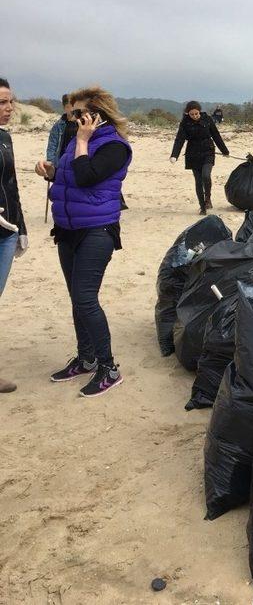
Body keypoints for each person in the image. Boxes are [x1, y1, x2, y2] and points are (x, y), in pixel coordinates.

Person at [35, 86, 132, 398]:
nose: (71, 116)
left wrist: (81, 141)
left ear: (96, 114)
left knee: (85, 298)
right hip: (68, 229)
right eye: (71, 111)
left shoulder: (114, 146)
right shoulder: (77, 139)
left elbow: (87, 176)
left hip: (97, 230)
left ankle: (109, 367)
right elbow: (71, 176)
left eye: (78, 112)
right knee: (76, 298)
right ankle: (86, 358)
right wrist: (51, 172)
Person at [0, 78, 28, 393]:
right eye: (1, 103)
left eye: (10, 101)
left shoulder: (5, 139)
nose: (9, 108)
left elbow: (12, 186)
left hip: (6, 233)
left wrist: (21, 230)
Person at [170, 101, 229, 214]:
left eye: (196, 114)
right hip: (193, 154)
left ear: (199, 111)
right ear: (188, 113)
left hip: (208, 151)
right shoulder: (185, 123)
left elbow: (216, 135)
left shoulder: (207, 119)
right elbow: (179, 140)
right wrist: (174, 155)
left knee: (206, 176)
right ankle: (202, 207)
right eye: (192, 114)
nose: (195, 116)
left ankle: (208, 198)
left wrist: (224, 151)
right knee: (198, 181)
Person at [46, 93, 78, 166]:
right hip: (61, 160)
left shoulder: (81, 123)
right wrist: (50, 162)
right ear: (64, 108)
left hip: (75, 160)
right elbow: (52, 145)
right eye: (68, 107)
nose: (71, 109)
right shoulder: (58, 125)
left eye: (73, 106)